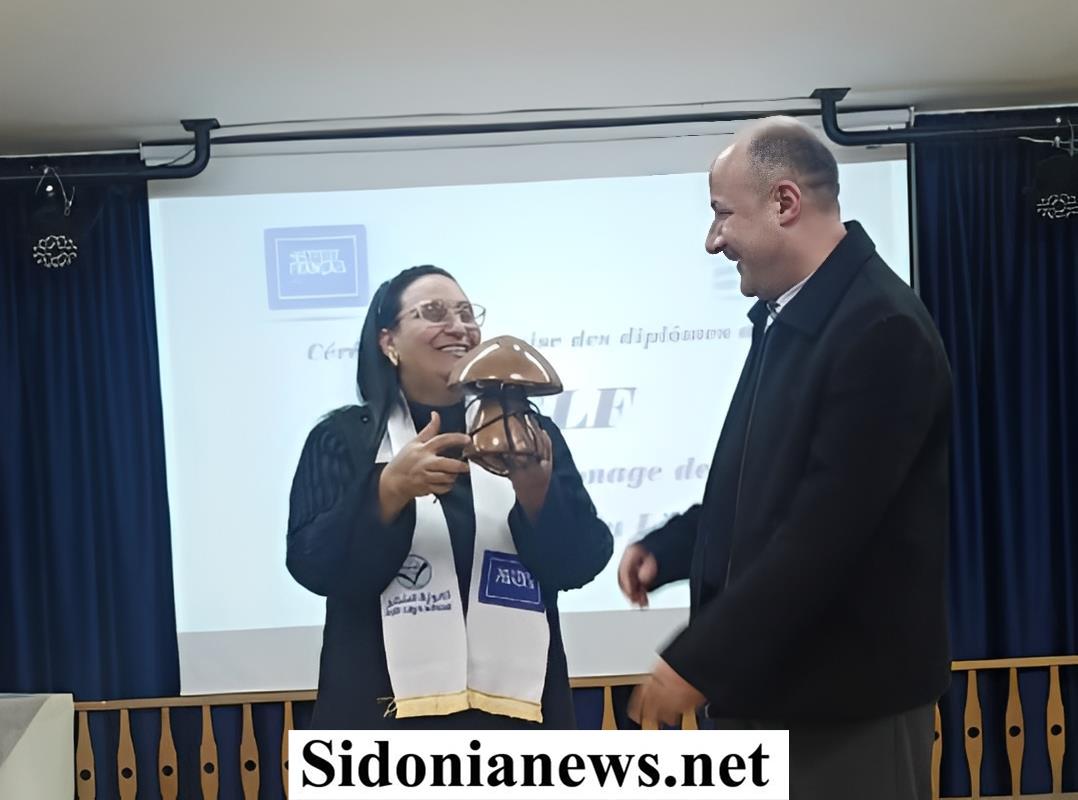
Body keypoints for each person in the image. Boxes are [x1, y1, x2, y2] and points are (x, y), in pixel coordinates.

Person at [619, 117, 952, 798]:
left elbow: (824, 534)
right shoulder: (793, 318)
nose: (713, 240)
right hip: (774, 700)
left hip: (845, 716)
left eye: (722, 214)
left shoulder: (880, 328)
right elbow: (764, 490)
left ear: (785, 202)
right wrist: (675, 548)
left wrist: (699, 659)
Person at [288, 265, 612, 729]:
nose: (459, 326)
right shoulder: (343, 440)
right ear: (388, 341)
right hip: (382, 721)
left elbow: (580, 563)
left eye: (466, 313)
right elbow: (312, 564)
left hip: (516, 724)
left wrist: (537, 495)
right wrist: (389, 490)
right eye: (435, 312)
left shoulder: (526, 435)